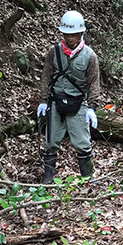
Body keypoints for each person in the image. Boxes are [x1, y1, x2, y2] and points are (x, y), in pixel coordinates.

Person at [37, 10, 101, 184]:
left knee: (82, 142)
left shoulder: (90, 56)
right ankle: (48, 177)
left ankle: (88, 177)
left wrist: (92, 108)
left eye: (73, 34)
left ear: (81, 33)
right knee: (51, 141)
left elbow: (94, 83)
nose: (69, 38)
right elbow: (46, 76)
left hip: (78, 102)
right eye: (66, 34)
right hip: (56, 101)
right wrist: (43, 100)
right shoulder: (54, 52)